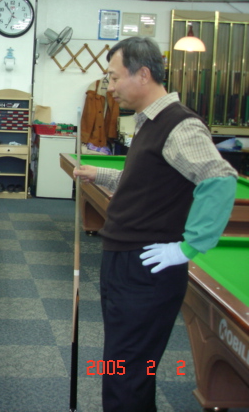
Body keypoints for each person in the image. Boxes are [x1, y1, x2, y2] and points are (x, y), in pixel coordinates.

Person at [73, 36, 237, 412]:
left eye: (115, 78)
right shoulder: (150, 121)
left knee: (125, 378)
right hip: (126, 263)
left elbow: (220, 179)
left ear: (143, 74)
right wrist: (99, 174)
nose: (110, 88)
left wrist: (188, 247)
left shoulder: (179, 124)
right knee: (128, 371)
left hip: (145, 270)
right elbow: (146, 181)